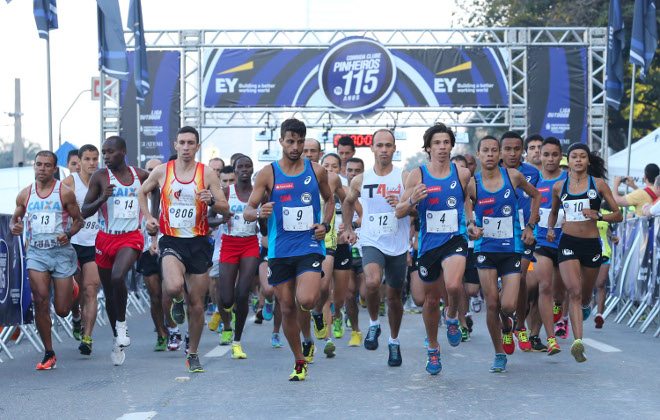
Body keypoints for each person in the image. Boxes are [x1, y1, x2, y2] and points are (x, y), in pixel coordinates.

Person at [243, 118, 334, 381]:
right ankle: (299, 359)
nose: (295, 147)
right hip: (280, 250)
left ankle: (315, 317)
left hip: (308, 245)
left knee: (305, 299)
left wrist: (325, 225)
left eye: (299, 142)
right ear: (281, 141)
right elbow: (248, 210)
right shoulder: (268, 173)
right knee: (287, 307)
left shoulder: (316, 171)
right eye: (290, 141)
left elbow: (330, 200)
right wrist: (259, 211)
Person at [138, 126, 229, 373]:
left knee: (197, 305)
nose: (186, 147)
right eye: (182, 143)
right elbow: (141, 192)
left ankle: (193, 353)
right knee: (174, 286)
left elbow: (225, 207)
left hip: (198, 243)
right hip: (171, 239)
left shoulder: (207, 173)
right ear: (175, 145)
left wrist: (211, 200)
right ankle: (177, 300)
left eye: (191, 143)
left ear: (197, 147)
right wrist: (148, 218)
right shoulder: (161, 171)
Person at [396, 123, 472, 375]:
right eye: (437, 143)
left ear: (451, 145)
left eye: (446, 142)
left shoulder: (462, 174)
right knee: (429, 300)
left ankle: (451, 317)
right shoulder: (416, 174)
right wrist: (412, 200)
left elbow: (472, 200)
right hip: (429, 244)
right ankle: (432, 347)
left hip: (455, 238)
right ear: (428, 147)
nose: (442, 147)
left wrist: (472, 223)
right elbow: (399, 211)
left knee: (453, 285)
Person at [466, 136, 540, 373]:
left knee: (507, 306)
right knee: (491, 304)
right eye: (485, 150)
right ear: (478, 155)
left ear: (499, 154)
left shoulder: (513, 176)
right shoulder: (472, 183)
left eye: (493, 150)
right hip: (485, 249)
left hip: (511, 248)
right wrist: (471, 227)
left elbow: (537, 196)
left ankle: (507, 321)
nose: (489, 154)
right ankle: (499, 353)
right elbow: (466, 212)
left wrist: (530, 226)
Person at [547, 143, 622, 362]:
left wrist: (599, 216)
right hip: (568, 242)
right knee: (574, 291)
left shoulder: (598, 184)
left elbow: (618, 215)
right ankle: (578, 342)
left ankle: (587, 305)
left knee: (585, 295)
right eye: (574, 157)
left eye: (582, 157)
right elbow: (553, 212)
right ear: (567, 161)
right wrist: (551, 229)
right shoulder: (559, 187)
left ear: (588, 161)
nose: (578, 160)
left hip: (591, 246)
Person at [342, 129, 410, 367]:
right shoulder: (361, 179)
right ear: (371, 148)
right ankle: (373, 324)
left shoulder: (404, 177)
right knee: (371, 282)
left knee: (393, 297)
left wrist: (403, 205)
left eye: (388, 145)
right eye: (379, 145)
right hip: (371, 239)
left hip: (398, 242)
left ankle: (394, 340)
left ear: (394, 149)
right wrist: (349, 228)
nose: (383, 150)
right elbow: (348, 201)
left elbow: (415, 207)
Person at [10, 151, 83, 369]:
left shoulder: (65, 193)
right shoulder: (25, 195)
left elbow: (78, 220)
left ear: (54, 169)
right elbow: (16, 218)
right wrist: (17, 226)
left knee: (62, 310)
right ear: (34, 166)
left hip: (61, 253)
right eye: (39, 164)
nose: (42, 168)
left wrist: (69, 234)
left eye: (47, 165)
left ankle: (73, 290)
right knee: (40, 301)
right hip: (36, 254)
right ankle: (49, 352)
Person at [82, 136, 150, 366]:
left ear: (123, 151)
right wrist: (103, 197)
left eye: (111, 152)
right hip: (104, 239)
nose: (107, 157)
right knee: (109, 293)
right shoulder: (100, 177)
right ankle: (117, 338)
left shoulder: (140, 175)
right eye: (104, 153)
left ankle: (122, 326)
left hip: (130, 237)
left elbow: (158, 188)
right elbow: (84, 211)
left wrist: (153, 215)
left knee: (118, 276)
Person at [217, 155, 265, 360]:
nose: (244, 170)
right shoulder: (227, 192)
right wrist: (222, 218)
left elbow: (264, 226)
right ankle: (226, 314)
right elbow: (210, 217)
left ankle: (236, 341)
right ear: (235, 171)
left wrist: (261, 216)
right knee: (227, 298)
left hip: (249, 244)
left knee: (242, 293)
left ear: (252, 169)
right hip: (229, 244)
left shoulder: (259, 194)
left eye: (248, 166)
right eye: (240, 167)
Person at [499, 131, 540, 352]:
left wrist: (531, 225)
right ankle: (506, 327)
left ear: (522, 150)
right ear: (500, 150)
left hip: (523, 236)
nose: (512, 153)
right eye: (508, 149)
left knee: (522, 277)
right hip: (494, 237)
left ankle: (521, 326)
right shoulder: (489, 172)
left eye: (517, 149)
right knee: (498, 290)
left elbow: (537, 198)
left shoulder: (532, 173)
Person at [62, 144, 101, 355]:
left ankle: (87, 337)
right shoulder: (70, 183)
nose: (91, 163)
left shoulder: (103, 181)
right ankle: (76, 316)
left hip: (94, 243)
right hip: (73, 242)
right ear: (80, 161)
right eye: (87, 159)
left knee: (91, 289)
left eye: (95, 159)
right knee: (73, 293)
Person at [532, 137, 567, 355]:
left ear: (560, 156)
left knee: (560, 292)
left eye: (555, 154)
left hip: (566, 244)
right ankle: (551, 338)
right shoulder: (533, 181)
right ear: (540, 156)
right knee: (544, 287)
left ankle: (557, 307)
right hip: (541, 242)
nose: (550, 159)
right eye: (546, 154)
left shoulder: (568, 180)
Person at [344, 157, 365, 347]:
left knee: (367, 292)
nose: (353, 174)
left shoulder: (369, 192)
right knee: (349, 294)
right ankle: (355, 331)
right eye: (350, 170)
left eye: (357, 171)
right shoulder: (340, 192)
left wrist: (355, 224)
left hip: (367, 248)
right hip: (347, 249)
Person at [594, 201, 618, 329]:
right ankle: (585, 305)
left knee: (601, 283)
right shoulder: (583, 212)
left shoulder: (606, 214)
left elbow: (610, 232)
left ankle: (599, 314)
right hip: (587, 253)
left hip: (604, 252)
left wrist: (614, 237)